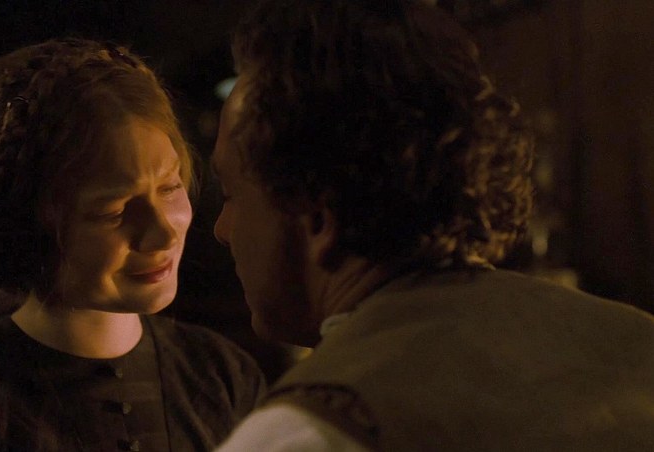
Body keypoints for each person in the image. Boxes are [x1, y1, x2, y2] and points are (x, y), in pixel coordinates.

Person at [210, 0, 654, 450]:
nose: (222, 230)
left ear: (318, 216)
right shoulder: (637, 347)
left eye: (230, 195)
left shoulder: (310, 432)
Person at [0, 38, 265, 452]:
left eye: (169, 188)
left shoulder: (224, 379)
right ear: (23, 223)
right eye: (113, 211)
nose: (163, 233)